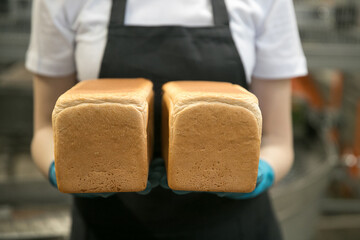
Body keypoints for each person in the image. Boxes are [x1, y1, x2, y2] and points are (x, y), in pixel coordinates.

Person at [26, 0, 307, 239]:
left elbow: (277, 141)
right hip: (108, 225)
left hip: (232, 226)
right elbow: (44, 129)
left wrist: (258, 173)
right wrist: (62, 170)